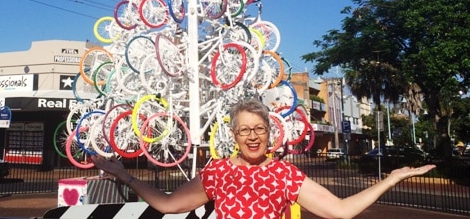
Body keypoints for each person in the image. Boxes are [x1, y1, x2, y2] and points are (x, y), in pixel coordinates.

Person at [91, 98, 435, 219]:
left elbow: (340, 211)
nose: (252, 136)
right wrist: (125, 175)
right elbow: (168, 204)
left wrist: (390, 179)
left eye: (258, 129)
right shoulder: (219, 172)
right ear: (234, 135)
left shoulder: (285, 175)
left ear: (269, 133)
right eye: (244, 130)